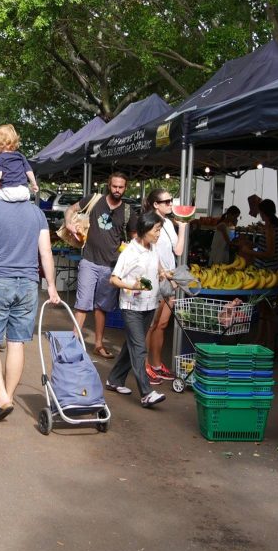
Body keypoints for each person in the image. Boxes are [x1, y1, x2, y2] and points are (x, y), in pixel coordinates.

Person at [0, 195, 60, 421]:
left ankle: (2, 396)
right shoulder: (36, 212)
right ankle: (7, 396)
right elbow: (46, 252)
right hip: (28, 283)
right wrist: (51, 286)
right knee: (16, 342)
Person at [63, 172, 131, 358]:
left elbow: (133, 238)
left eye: (121, 187)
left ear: (125, 188)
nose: (117, 190)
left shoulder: (127, 210)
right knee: (82, 304)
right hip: (89, 261)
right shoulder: (94, 199)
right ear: (109, 185)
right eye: (114, 186)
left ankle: (98, 344)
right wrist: (69, 223)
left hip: (111, 266)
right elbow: (70, 209)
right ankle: (74, 342)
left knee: (102, 307)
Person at [105, 211, 169, 408]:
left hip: (149, 305)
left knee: (131, 345)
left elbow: (157, 265)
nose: (158, 234)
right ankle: (146, 393)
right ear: (145, 230)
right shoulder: (130, 252)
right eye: (156, 230)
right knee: (140, 348)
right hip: (132, 306)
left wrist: (164, 273)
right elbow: (113, 279)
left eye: (160, 230)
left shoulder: (152, 247)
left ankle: (114, 380)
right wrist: (133, 286)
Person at [140, 190, 187, 383]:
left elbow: (178, 250)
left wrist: (183, 228)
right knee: (150, 325)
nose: (170, 204)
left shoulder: (168, 224)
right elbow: (147, 250)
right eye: (166, 201)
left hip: (170, 277)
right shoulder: (148, 222)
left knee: (162, 324)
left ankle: (157, 365)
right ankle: (144, 367)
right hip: (155, 278)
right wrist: (161, 273)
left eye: (171, 200)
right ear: (155, 205)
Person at [236, 198, 278, 349]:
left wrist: (250, 252)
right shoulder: (274, 228)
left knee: (268, 311)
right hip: (268, 271)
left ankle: (268, 343)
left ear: (264, 212)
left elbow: (269, 253)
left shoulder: (270, 229)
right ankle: (260, 340)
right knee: (263, 310)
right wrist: (254, 245)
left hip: (266, 273)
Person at [0, 124, 39, 202]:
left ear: (1, 144)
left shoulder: (0, 158)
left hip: (9, 192)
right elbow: (29, 171)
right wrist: (34, 184)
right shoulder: (20, 156)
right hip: (25, 193)